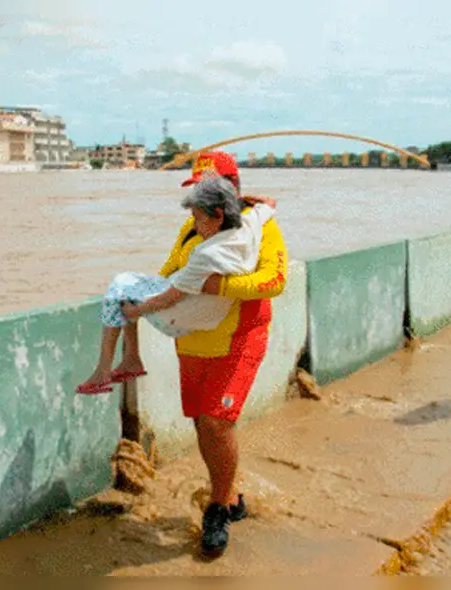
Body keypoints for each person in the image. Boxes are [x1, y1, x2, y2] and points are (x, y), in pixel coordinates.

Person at [125, 151, 288, 558]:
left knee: (216, 422)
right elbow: (168, 274)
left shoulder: (261, 227)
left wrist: (217, 287)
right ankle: (230, 498)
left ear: (230, 189)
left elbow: (274, 280)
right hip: (193, 341)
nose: (197, 199)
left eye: (205, 190)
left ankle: (217, 507)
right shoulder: (190, 228)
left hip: (238, 338)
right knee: (202, 421)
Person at [76, 174, 277, 394]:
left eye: (198, 218)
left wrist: (135, 311)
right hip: (211, 314)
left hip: (180, 318)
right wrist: (243, 199)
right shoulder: (249, 226)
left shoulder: (208, 254)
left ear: (218, 215)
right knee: (131, 286)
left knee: (119, 287)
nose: (196, 226)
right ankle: (131, 359)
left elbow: (169, 298)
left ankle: (103, 371)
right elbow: (269, 204)